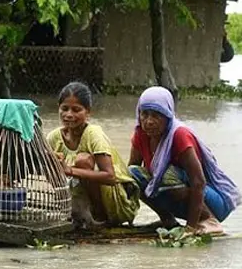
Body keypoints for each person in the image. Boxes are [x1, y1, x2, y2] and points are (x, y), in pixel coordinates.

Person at [128, 86, 240, 235]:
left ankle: (209, 220)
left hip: (210, 201)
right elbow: (132, 172)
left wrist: (190, 228)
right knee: (132, 174)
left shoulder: (179, 135)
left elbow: (199, 182)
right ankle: (168, 219)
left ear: (167, 116)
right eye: (145, 114)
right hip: (177, 196)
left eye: (156, 115)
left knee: (166, 174)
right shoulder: (141, 133)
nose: (149, 121)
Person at [47, 82, 139, 229]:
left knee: (82, 160)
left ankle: (100, 217)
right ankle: (73, 213)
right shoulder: (54, 137)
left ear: (88, 112)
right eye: (64, 109)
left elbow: (110, 177)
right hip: (80, 199)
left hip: (116, 202)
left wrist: (70, 170)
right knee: (51, 163)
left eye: (76, 110)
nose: (69, 115)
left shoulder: (93, 133)